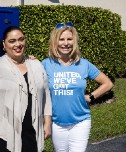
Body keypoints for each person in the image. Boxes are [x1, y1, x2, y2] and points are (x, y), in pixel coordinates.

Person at [0, 26, 52, 152]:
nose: (18, 44)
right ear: (4, 45)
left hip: (33, 132)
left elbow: (46, 95)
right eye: (12, 41)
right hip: (5, 134)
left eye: (21, 39)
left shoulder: (36, 65)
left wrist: (47, 122)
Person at [42, 22, 114, 152]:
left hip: (81, 122)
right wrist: (28, 60)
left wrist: (91, 97)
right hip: (57, 123)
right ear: (55, 42)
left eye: (69, 39)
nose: (66, 43)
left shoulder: (83, 64)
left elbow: (107, 83)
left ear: (74, 41)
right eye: (61, 39)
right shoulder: (46, 64)